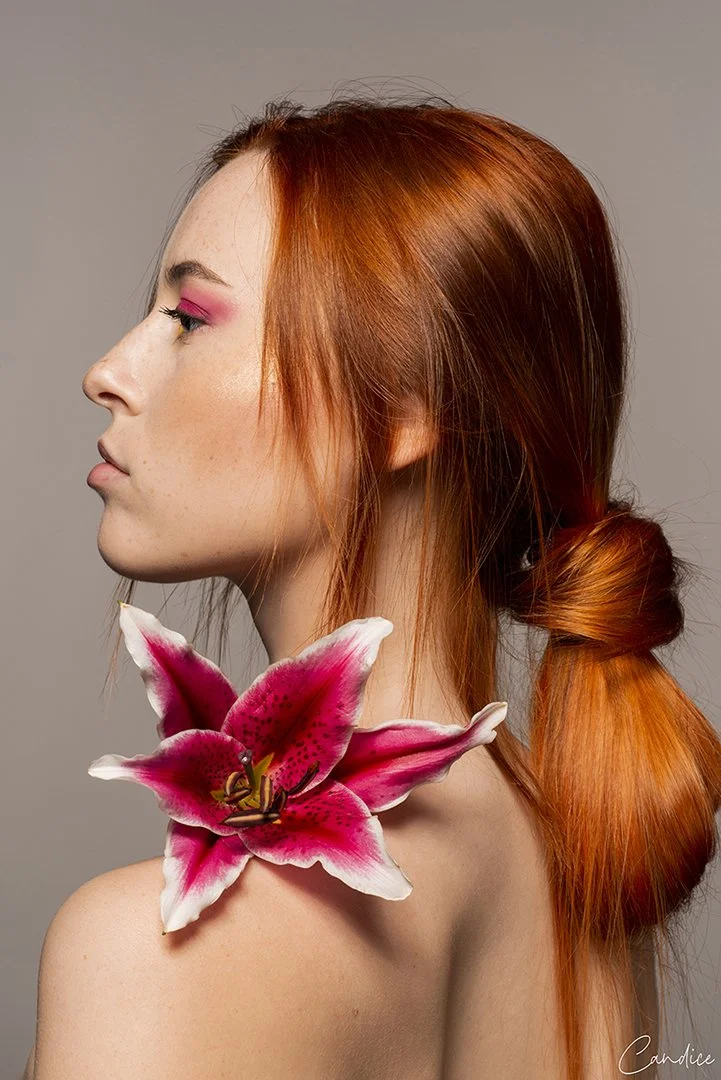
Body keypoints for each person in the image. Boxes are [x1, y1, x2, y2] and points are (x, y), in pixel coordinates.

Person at [28, 96, 721, 1080]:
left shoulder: (141, 958)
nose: (108, 371)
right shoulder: (587, 886)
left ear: (403, 411)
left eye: (188, 317)